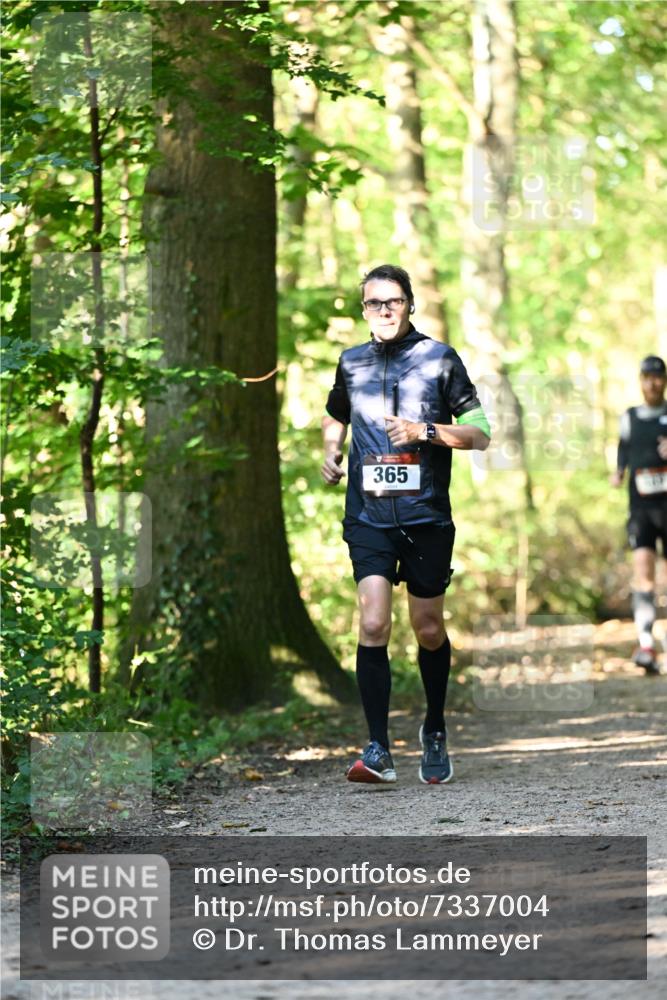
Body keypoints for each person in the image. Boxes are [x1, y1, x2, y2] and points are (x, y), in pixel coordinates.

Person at [321, 264, 490, 784]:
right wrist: (330, 451)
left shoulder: (439, 358)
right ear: (364, 310)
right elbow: (336, 413)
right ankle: (377, 748)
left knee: (428, 628)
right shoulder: (351, 362)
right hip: (368, 516)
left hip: (425, 517)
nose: (384, 310)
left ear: (410, 304)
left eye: (393, 301)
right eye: (374, 303)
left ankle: (434, 728)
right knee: (373, 623)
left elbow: (480, 433)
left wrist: (425, 431)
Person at [611, 355, 667, 676]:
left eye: (657, 377)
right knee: (644, 574)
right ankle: (646, 645)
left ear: (664, 381)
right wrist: (619, 472)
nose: (652, 383)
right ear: (640, 381)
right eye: (647, 377)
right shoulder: (629, 417)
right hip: (642, 510)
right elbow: (623, 447)